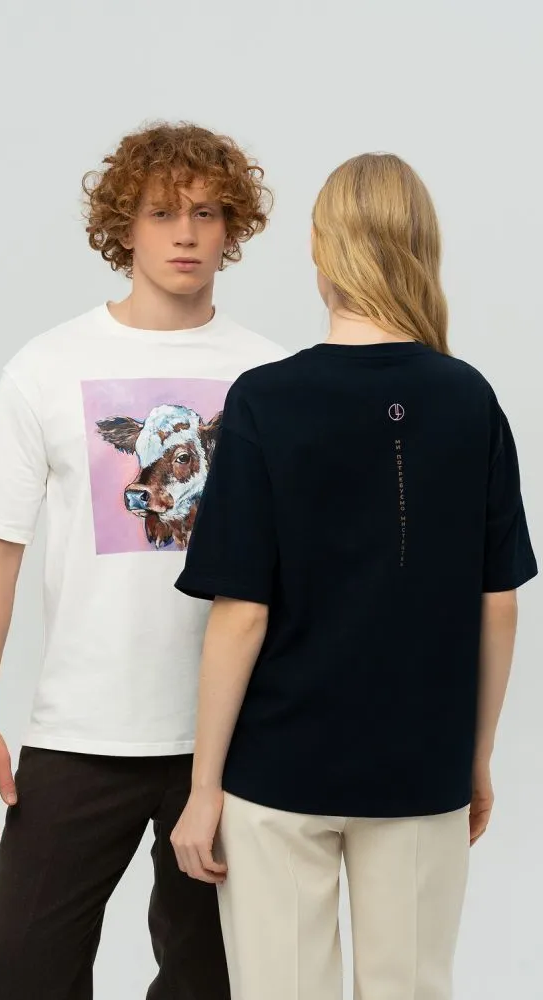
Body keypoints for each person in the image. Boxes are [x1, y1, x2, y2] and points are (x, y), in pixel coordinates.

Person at [171, 152, 538, 1000]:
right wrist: (476, 757)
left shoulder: (265, 399)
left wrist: (203, 787)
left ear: (320, 248)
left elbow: (240, 612)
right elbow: (499, 604)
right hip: (422, 769)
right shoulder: (469, 399)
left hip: (278, 772)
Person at [0, 120, 288, 1000]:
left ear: (231, 228)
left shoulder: (272, 375)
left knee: (214, 982)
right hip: (81, 731)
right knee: (21, 974)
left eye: (206, 213)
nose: (185, 233)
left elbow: (307, 566)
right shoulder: (48, 367)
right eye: (162, 212)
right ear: (122, 227)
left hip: (233, 738)